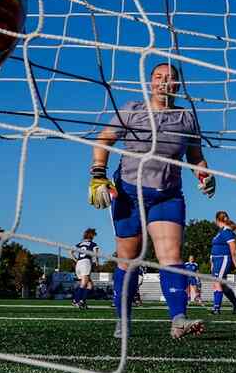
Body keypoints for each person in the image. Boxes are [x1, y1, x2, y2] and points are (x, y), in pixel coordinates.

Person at [88, 62, 213, 339]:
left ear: (178, 86)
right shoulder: (132, 110)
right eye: (158, 77)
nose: (163, 82)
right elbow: (104, 139)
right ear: (150, 82)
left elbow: (195, 156)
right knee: (129, 258)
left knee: (171, 256)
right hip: (129, 194)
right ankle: (123, 320)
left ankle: (178, 319)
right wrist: (98, 174)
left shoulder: (187, 118)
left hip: (167, 195)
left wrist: (204, 174)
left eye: (169, 78)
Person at [210, 211, 236, 315]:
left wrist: (234, 261)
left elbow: (233, 248)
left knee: (217, 283)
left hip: (223, 259)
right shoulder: (220, 231)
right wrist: (212, 262)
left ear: (216, 220)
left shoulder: (227, 231)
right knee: (222, 285)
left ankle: (216, 308)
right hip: (216, 260)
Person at [71, 228, 99, 309]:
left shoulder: (80, 244)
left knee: (90, 285)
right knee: (83, 284)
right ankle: (75, 300)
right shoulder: (93, 244)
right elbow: (96, 255)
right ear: (92, 236)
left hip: (79, 264)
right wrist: (97, 263)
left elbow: (70, 252)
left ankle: (82, 301)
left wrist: (76, 260)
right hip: (86, 263)